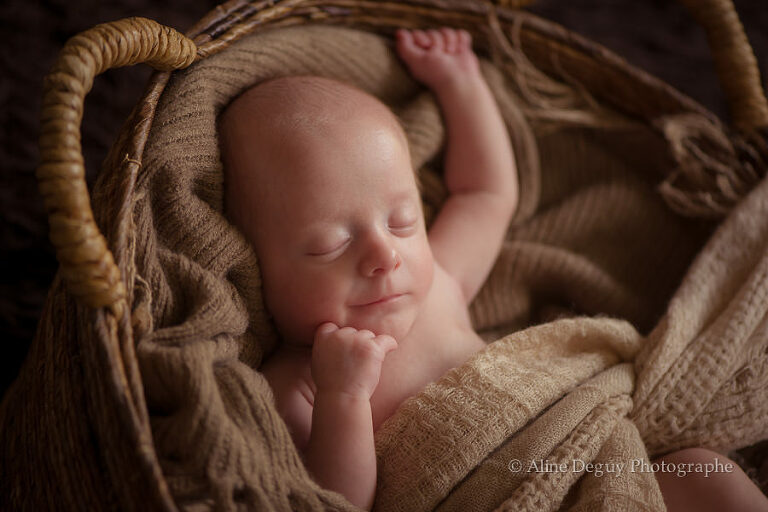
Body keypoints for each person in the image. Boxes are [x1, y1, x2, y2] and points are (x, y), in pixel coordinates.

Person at [220, 27, 768, 511]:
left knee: (708, 473)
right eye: (329, 245)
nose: (383, 256)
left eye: (402, 221)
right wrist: (344, 399)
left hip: (596, 462)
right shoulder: (299, 381)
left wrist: (462, 85)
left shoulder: (438, 283)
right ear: (258, 265)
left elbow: (485, 194)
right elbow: (339, 501)